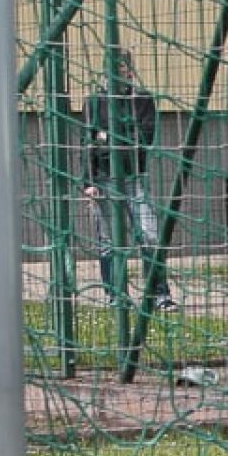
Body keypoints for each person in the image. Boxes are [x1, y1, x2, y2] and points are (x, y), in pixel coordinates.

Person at [82, 51, 176, 310]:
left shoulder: (141, 100)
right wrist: (88, 181)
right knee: (108, 241)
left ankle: (159, 295)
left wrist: (107, 139)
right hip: (103, 179)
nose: (119, 72)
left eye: (123, 67)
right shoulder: (94, 102)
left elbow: (144, 137)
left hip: (134, 177)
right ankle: (116, 296)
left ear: (129, 71)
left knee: (149, 235)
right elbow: (88, 141)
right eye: (114, 67)